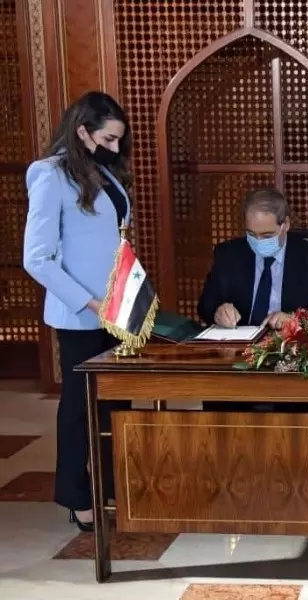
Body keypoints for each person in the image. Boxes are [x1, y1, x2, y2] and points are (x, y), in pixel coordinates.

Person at [22, 91, 134, 532]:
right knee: (80, 406)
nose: (114, 148)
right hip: (82, 313)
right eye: (108, 139)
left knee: (117, 401)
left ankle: (112, 485)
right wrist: (89, 301)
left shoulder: (105, 171)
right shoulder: (50, 175)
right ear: (83, 131)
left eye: (119, 140)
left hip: (118, 309)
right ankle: (76, 495)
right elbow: (37, 258)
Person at [198, 186, 308, 412]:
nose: (258, 241)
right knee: (219, 399)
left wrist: (297, 320)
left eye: (267, 235)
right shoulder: (228, 254)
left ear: (285, 224)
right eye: (251, 234)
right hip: (239, 358)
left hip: (291, 360)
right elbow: (205, 304)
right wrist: (217, 310)